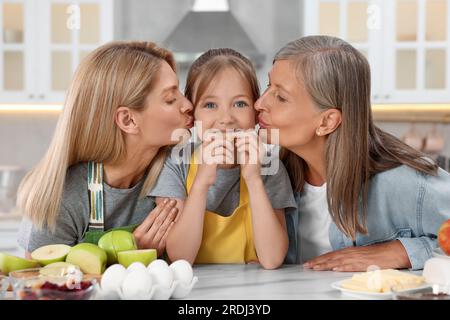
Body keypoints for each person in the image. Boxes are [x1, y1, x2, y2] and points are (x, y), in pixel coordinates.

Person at [255, 35, 450, 271]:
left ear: (327, 121)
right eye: (268, 86)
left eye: (281, 97)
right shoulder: (270, 172)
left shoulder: (404, 183)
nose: (260, 103)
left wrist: (402, 252)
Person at [17, 41, 194, 258]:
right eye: (170, 99)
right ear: (128, 120)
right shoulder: (63, 200)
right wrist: (129, 255)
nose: (188, 105)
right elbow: (38, 285)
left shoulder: (176, 171)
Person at [149, 48, 297, 269]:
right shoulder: (177, 162)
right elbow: (180, 257)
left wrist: (254, 180)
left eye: (240, 104)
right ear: (193, 114)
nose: (226, 119)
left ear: (255, 113)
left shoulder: (269, 166)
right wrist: (201, 183)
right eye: (210, 105)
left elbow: (272, 258)